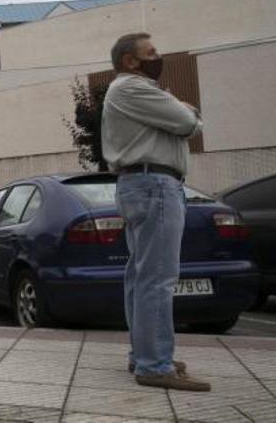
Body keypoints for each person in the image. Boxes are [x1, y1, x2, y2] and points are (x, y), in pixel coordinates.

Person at [101, 33, 209, 391]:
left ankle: (144, 354)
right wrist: (187, 110)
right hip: (155, 186)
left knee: (141, 277)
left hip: (143, 185)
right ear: (130, 61)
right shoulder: (134, 87)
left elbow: (179, 119)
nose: (157, 57)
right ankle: (154, 364)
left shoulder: (132, 91)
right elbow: (187, 123)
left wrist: (181, 111)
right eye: (151, 53)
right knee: (158, 278)